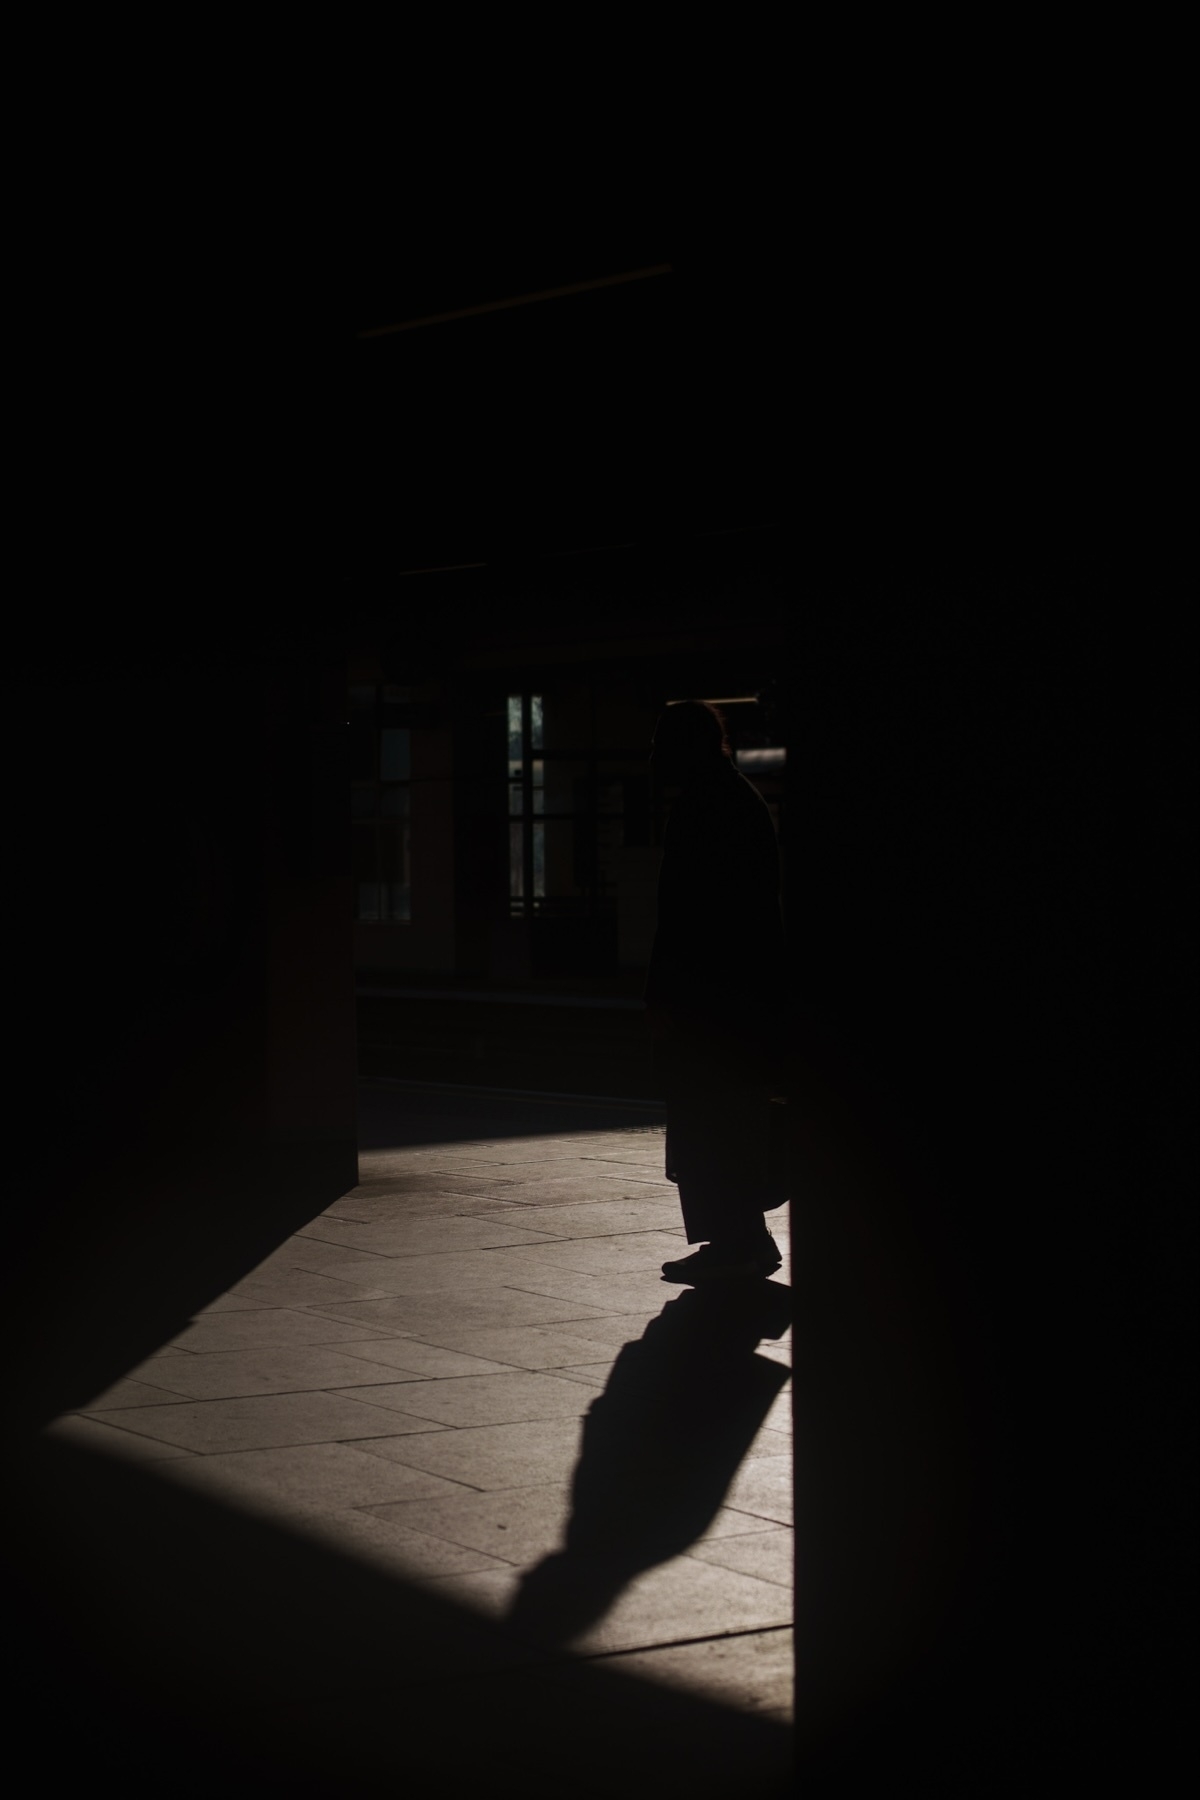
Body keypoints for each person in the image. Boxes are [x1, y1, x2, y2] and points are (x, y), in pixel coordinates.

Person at [645, 699, 787, 1281]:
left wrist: (664, 998)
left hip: (709, 999)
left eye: (661, 743)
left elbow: (682, 917)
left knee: (708, 1120)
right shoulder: (739, 799)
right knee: (731, 1120)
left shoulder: (701, 807)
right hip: (740, 994)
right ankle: (744, 1237)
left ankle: (734, 1245)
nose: (653, 755)